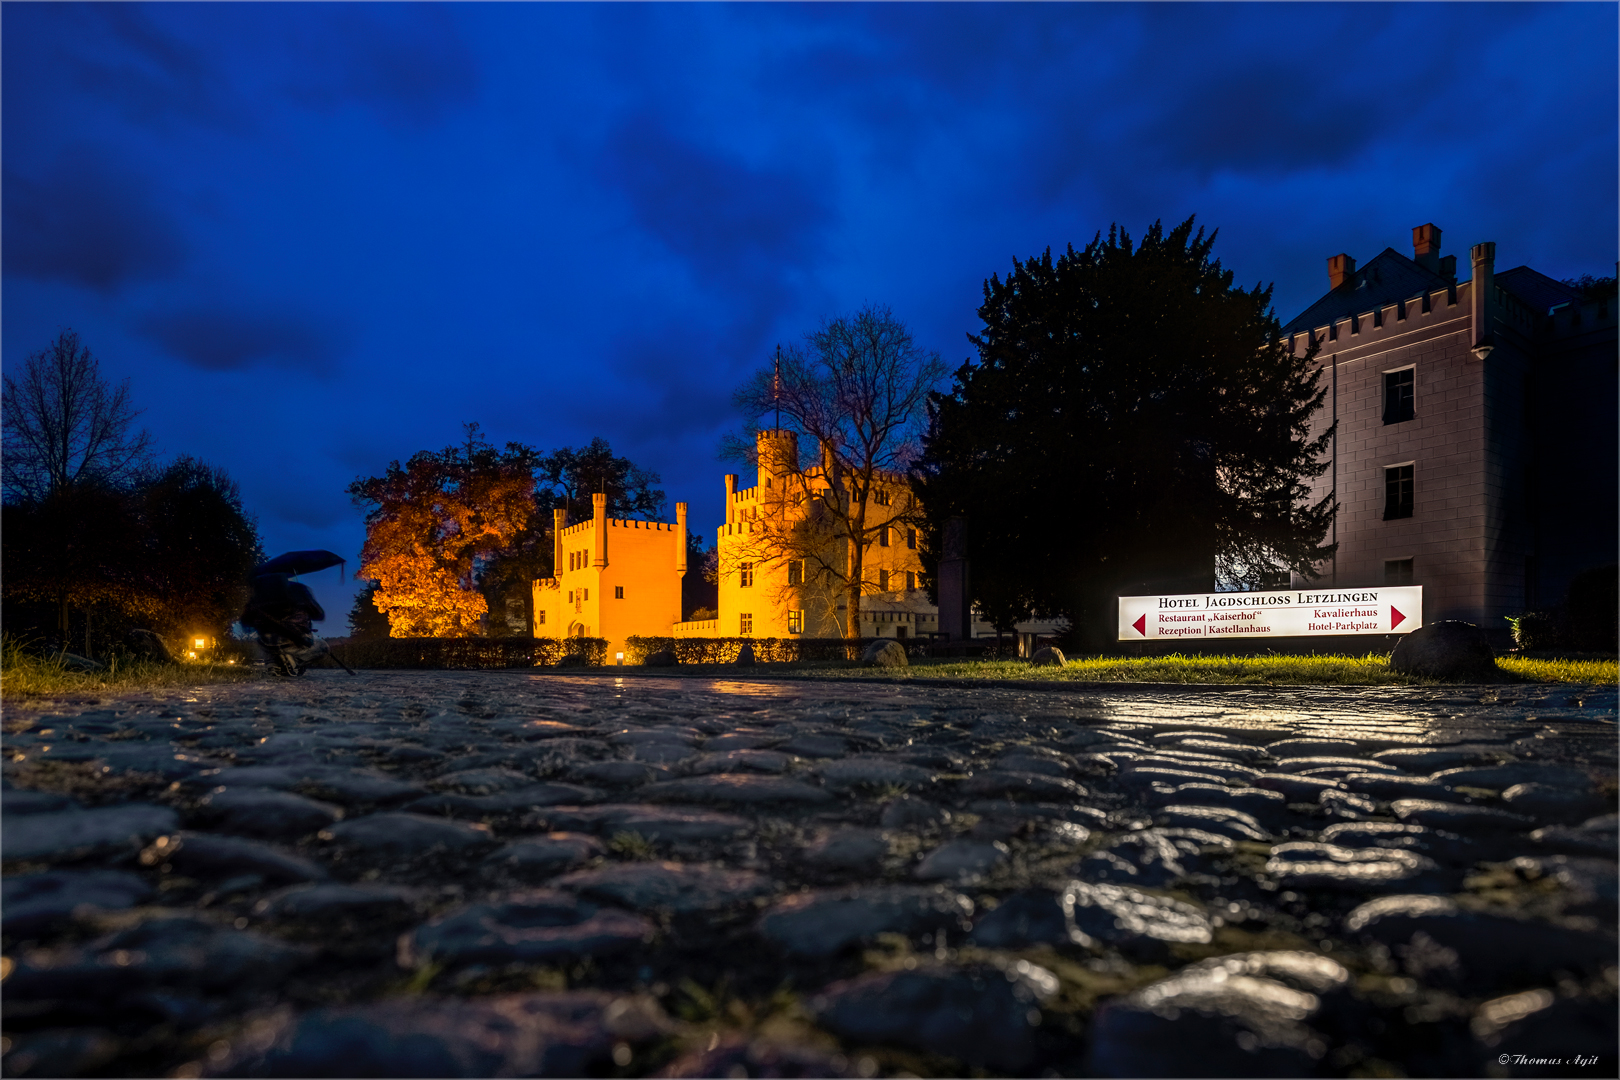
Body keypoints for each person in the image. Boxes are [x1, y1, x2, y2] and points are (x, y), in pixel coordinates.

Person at [241, 573, 330, 676]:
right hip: (294, 638)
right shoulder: (299, 589)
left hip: (266, 640)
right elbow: (319, 615)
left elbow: (246, 620)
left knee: (267, 643)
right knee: (323, 647)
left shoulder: (258, 594)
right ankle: (295, 661)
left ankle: (273, 663)